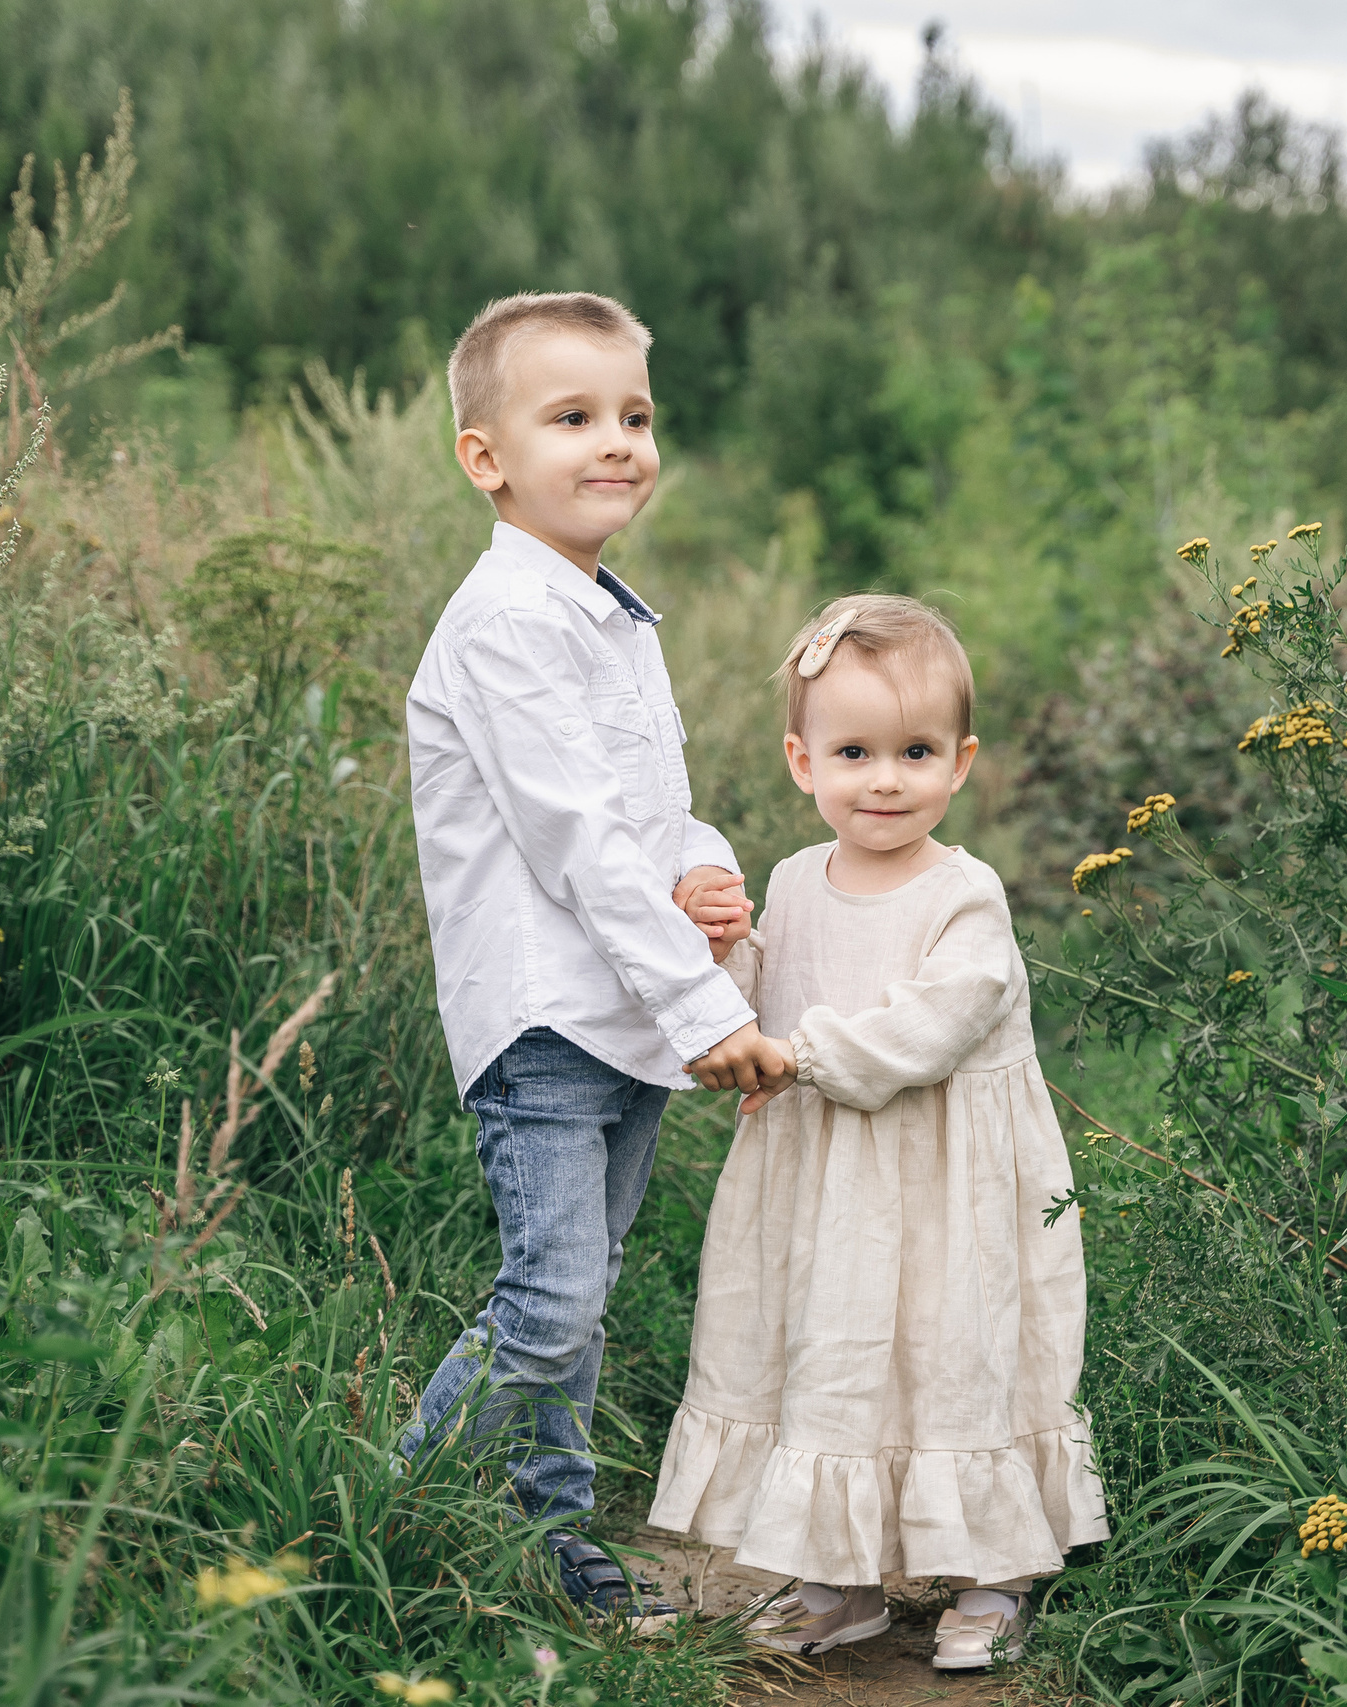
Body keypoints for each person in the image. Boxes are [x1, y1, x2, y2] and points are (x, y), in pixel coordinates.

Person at [400, 290, 794, 1626]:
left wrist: (706, 866)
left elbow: (641, 808)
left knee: (577, 1300)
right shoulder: (506, 621)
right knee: (552, 1297)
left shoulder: (609, 614)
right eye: (573, 417)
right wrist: (705, 1005)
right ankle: (395, 1513)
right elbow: (569, 838)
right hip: (551, 1018)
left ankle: (552, 1554)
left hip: (622, 1012)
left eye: (635, 414)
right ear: (487, 456)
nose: (617, 440)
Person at [650, 594, 1110, 1671]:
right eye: (854, 751)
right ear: (802, 762)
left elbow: (933, 1024)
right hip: (825, 1183)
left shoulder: (966, 896)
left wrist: (797, 1055)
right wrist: (721, 956)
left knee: (958, 1353)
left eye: (916, 751)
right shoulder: (793, 881)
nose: (886, 778)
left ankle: (993, 1572)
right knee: (832, 1353)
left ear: (961, 762)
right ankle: (840, 1581)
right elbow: (763, 1000)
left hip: (946, 1179)